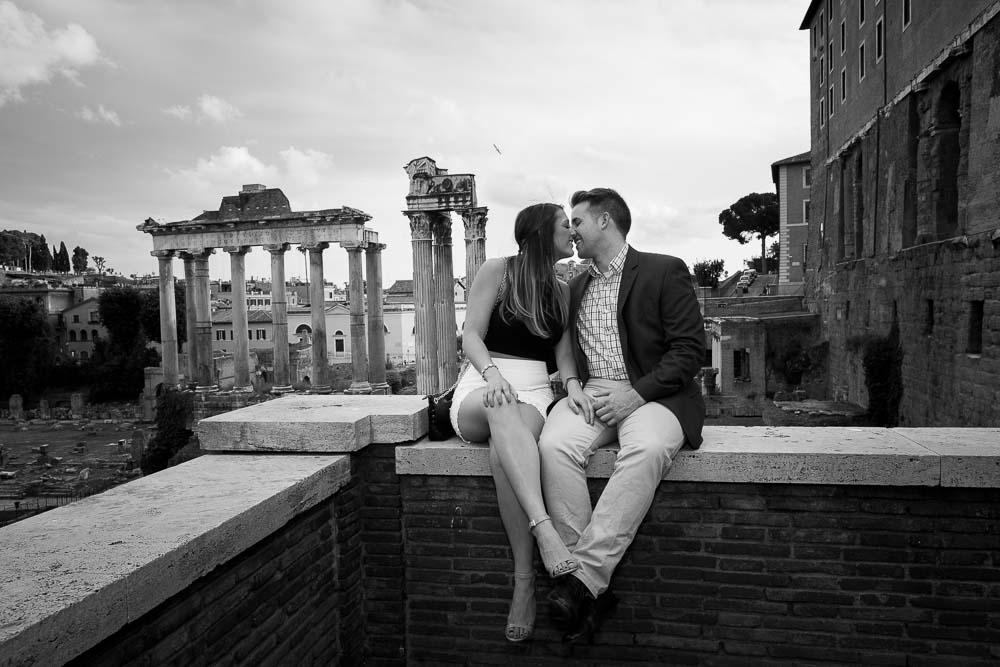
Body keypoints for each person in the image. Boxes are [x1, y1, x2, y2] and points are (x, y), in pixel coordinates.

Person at [538, 188, 706, 643]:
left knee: (648, 449)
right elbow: (564, 351)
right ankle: (583, 579)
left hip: (655, 394)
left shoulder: (662, 269)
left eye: (577, 222)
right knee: (552, 446)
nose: (570, 230)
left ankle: (581, 583)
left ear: (606, 221)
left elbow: (690, 351)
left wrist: (636, 395)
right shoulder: (576, 285)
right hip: (593, 393)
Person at [451, 202, 596, 643]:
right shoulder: (498, 270)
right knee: (499, 409)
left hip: (533, 393)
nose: (572, 232)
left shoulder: (563, 287)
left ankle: (524, 583)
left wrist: (571, 384)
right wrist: (493, 376)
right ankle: (544, 530)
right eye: (563, 226)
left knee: (504, 450)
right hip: (482, 384)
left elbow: (565, 353)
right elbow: (471, 334)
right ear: (538, 233)